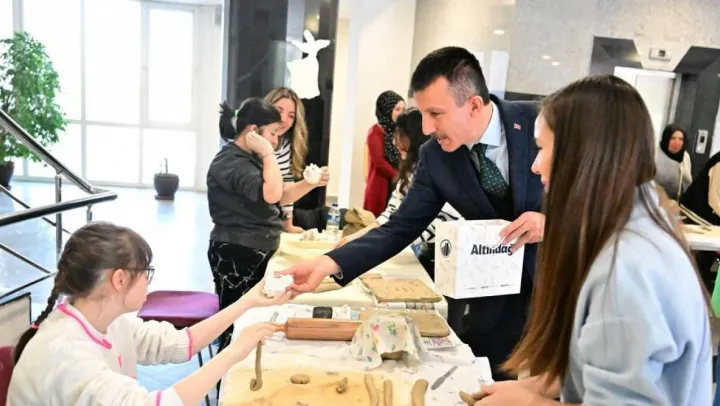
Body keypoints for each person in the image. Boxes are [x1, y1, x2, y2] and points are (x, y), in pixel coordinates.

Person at [282, 46, 544, 380]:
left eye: (435, 114)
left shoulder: (541, 122)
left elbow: (599, 194)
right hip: (493, 293)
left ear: (474, 105)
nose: (427, 127)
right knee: (491, 380)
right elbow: (399, 228)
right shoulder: (435, 156)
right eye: (422, 114)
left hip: (562, 281)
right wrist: (327, 263)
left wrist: (551, 224)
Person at [472, 75, 712, 405]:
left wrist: (525, 403)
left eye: (542, 148)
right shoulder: (626, 233)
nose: (535, 166)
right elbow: (603, 365)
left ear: (582, 154)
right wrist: (538, 387)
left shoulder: (629, 269)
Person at [7, 222, 290, 405]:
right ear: (119, 279)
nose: (148, 281)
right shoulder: (66, 353)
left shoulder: (109, 320)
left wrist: (249, 301)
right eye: (146, 272)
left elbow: (179, 344)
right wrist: (234, 352)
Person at [336, 107, 462, 280]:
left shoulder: (443, 172)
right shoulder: (410, 170)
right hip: (430, 252)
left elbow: (423, 226)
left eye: (400, 136)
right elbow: (391, 215)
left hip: (453, 257)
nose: (395, 143)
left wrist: (366, 247)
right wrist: (357, 238)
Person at [207, 98, 284, 351]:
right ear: (253, 131)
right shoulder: (232, 162)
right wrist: (268, 154)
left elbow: (277, 195)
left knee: (246, 323)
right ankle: (226, 374)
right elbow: (272, 194)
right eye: (272, 133)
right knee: (236, 328)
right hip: (238, 253)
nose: (275, 141)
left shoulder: (246, 158)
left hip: (249, 249)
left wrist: (309, 183)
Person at [265, 87, 329, 233]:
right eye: (279, 110)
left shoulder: (285, 144)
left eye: (291, 116)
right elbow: (275, 194)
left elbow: (286, 184)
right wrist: (309, 183)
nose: (283, 120)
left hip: (272, 217)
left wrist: (288, 224)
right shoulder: (253, 144)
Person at [363, 90, 405, 216]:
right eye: (397, 109)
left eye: (403, 109)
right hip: (380, 186)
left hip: (397, 185)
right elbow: (379, 162)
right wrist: (399, 177)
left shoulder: (400, 131)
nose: (401, 113)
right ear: (387, 110)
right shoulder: (375, 132)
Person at [655, 123, 692, 200]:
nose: (676, 143)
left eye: (680, 139)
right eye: (672, 138)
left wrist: (681, 167)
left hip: (673, 201)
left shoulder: (685, 156)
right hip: (654, 200)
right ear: (666, 138)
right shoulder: (654, 154)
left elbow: (688, 181)